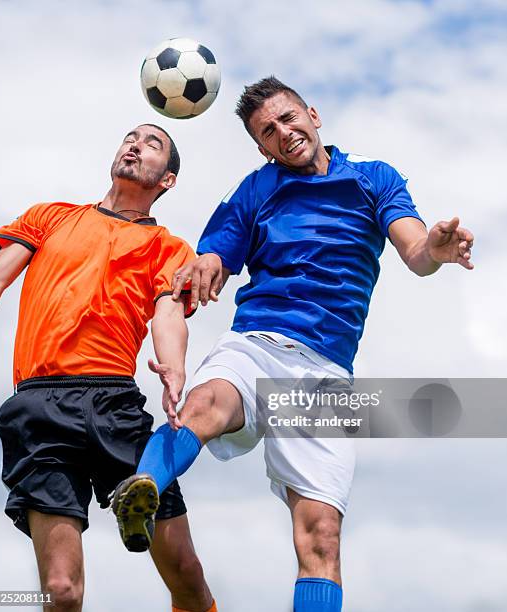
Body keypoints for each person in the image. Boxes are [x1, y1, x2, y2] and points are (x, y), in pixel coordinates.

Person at [113, 78, 474, 611]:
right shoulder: (256, 189)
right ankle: (142, 490)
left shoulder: (374, 178)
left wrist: (436, 249)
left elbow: (415, 250)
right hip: (258, 340)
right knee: (208, 403)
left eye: (288, 119)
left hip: (325, 373)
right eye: (268, 131)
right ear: (262, 148)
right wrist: (206, 266)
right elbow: (216, 257)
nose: (284, 133)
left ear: (313, 114)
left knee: (321, 537)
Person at [0, 124, 217, 612]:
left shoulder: (170, 249)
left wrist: (174, 369)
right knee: (62, 591)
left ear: (168, 180)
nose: (134, 144)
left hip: (114, 403)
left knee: (188, 578)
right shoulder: (50, 217)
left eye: (151, 143)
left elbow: (169, 312)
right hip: (38, 408)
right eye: (129, 137)